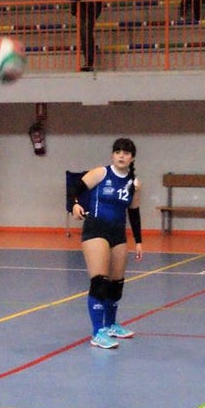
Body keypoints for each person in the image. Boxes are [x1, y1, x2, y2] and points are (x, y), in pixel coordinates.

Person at [68, 137, 143, 349]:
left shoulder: (134, 184)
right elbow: (74, 188)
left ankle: (110, 325)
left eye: (126, 152)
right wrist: (74, 205)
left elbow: (134, 212)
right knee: (100, 281)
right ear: (113, 155)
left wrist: (139, 241)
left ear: (132, 158)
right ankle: (97, 332)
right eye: (118, 151)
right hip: (96, 229)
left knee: (116, 284)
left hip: (118, 233)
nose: (121, 155)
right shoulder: (101, 173)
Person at [62, 0, 101, 72]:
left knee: (86, 32)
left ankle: (89, 61)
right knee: (84, 33)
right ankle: (88, 59)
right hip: (80, 7)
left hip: (92, 7)